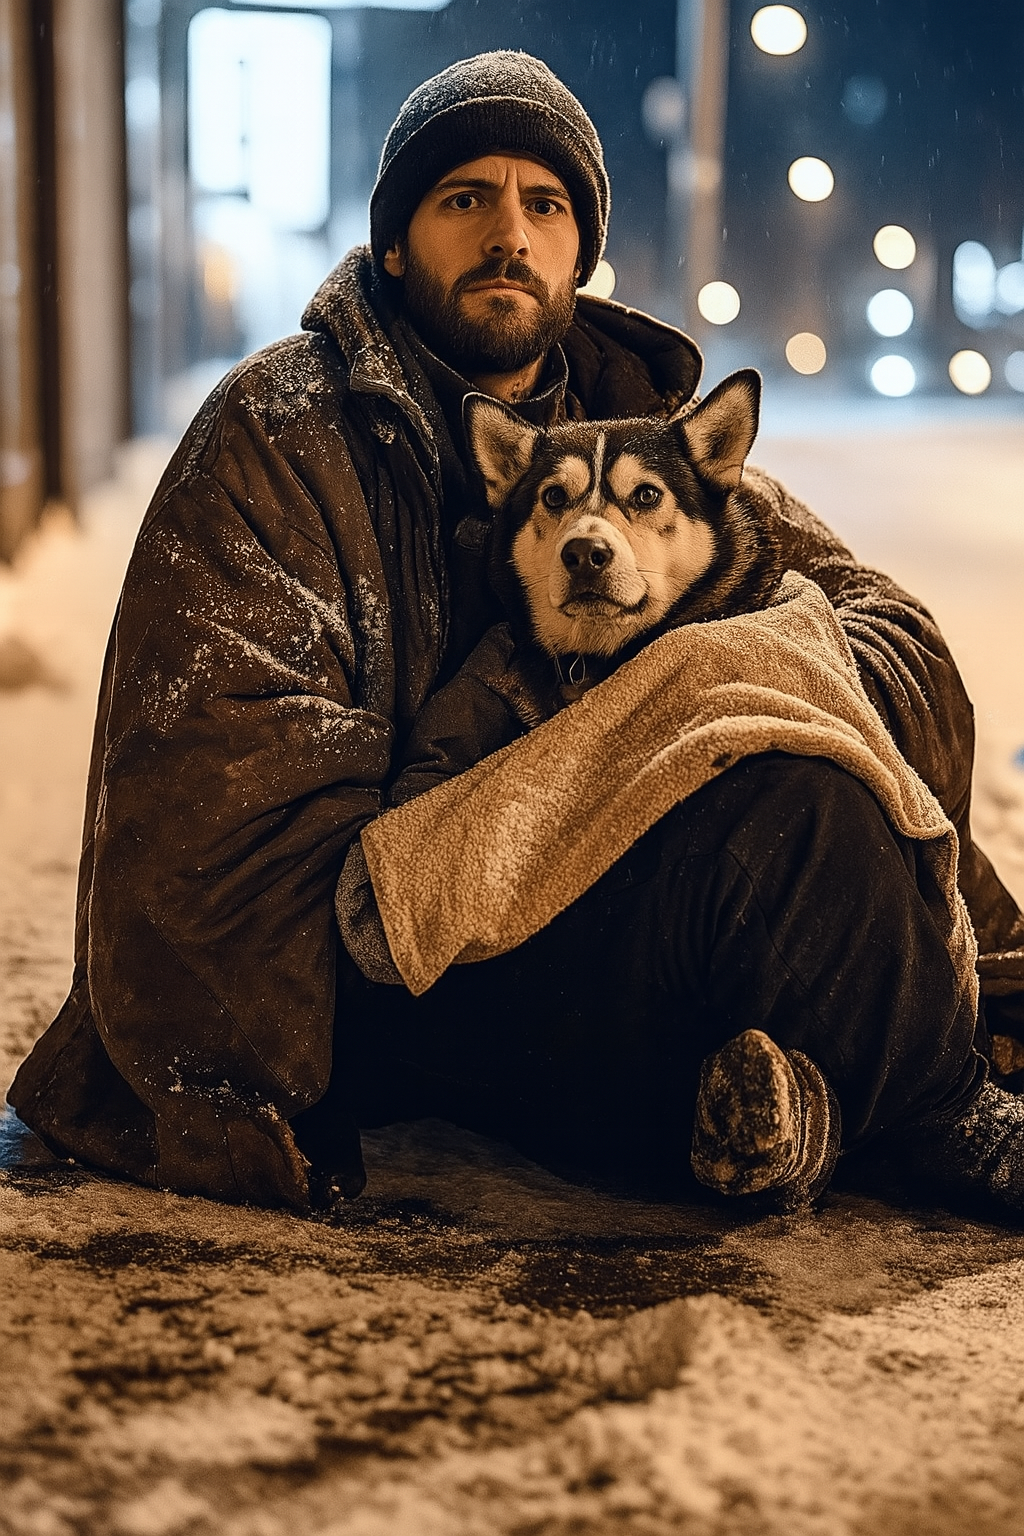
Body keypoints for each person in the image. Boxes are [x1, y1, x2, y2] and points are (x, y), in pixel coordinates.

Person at [9, 52, 1024, 1217]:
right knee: (779, 829)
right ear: (394, 244)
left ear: (579, 252)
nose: (509, 233)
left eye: (544, 205)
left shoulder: (632, 433)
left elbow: (895, 640)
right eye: (464, 199)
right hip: (375, 970)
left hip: (585, 923)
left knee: (806, 799)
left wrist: (728, 684)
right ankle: (930, 1113)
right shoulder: (278, 434)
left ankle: (792, 1109)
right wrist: (572, 778)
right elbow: (220, 818)